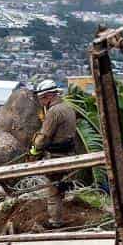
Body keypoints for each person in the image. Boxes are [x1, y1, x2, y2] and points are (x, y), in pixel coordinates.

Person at [29, 78, 80, 228]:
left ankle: (55, 222)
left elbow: (43, 138)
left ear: (48, 96)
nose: (41, 102)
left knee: (53, 192)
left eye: (41, 99)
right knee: (60, 189)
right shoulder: (68, 108)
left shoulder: (54, 112)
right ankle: (61, 218)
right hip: (68, 155)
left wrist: (34, 152)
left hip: (55, 157)